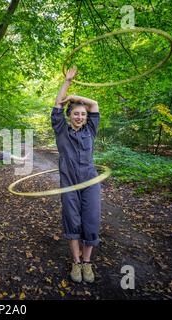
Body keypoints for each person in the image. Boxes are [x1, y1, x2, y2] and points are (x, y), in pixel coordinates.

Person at [51, 66, 101, 283]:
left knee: (90, 221)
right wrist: (67, 84)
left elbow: (94, 105)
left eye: (83, 114)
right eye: (76, 113)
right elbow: (56, 106)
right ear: (69, 116)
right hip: (69, 182)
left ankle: (87, 263)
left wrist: (75, 97)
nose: (80, 116)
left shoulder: (91, 129)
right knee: (72, 220)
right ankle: (76, 262)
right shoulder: (61, 129)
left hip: (90, 181)